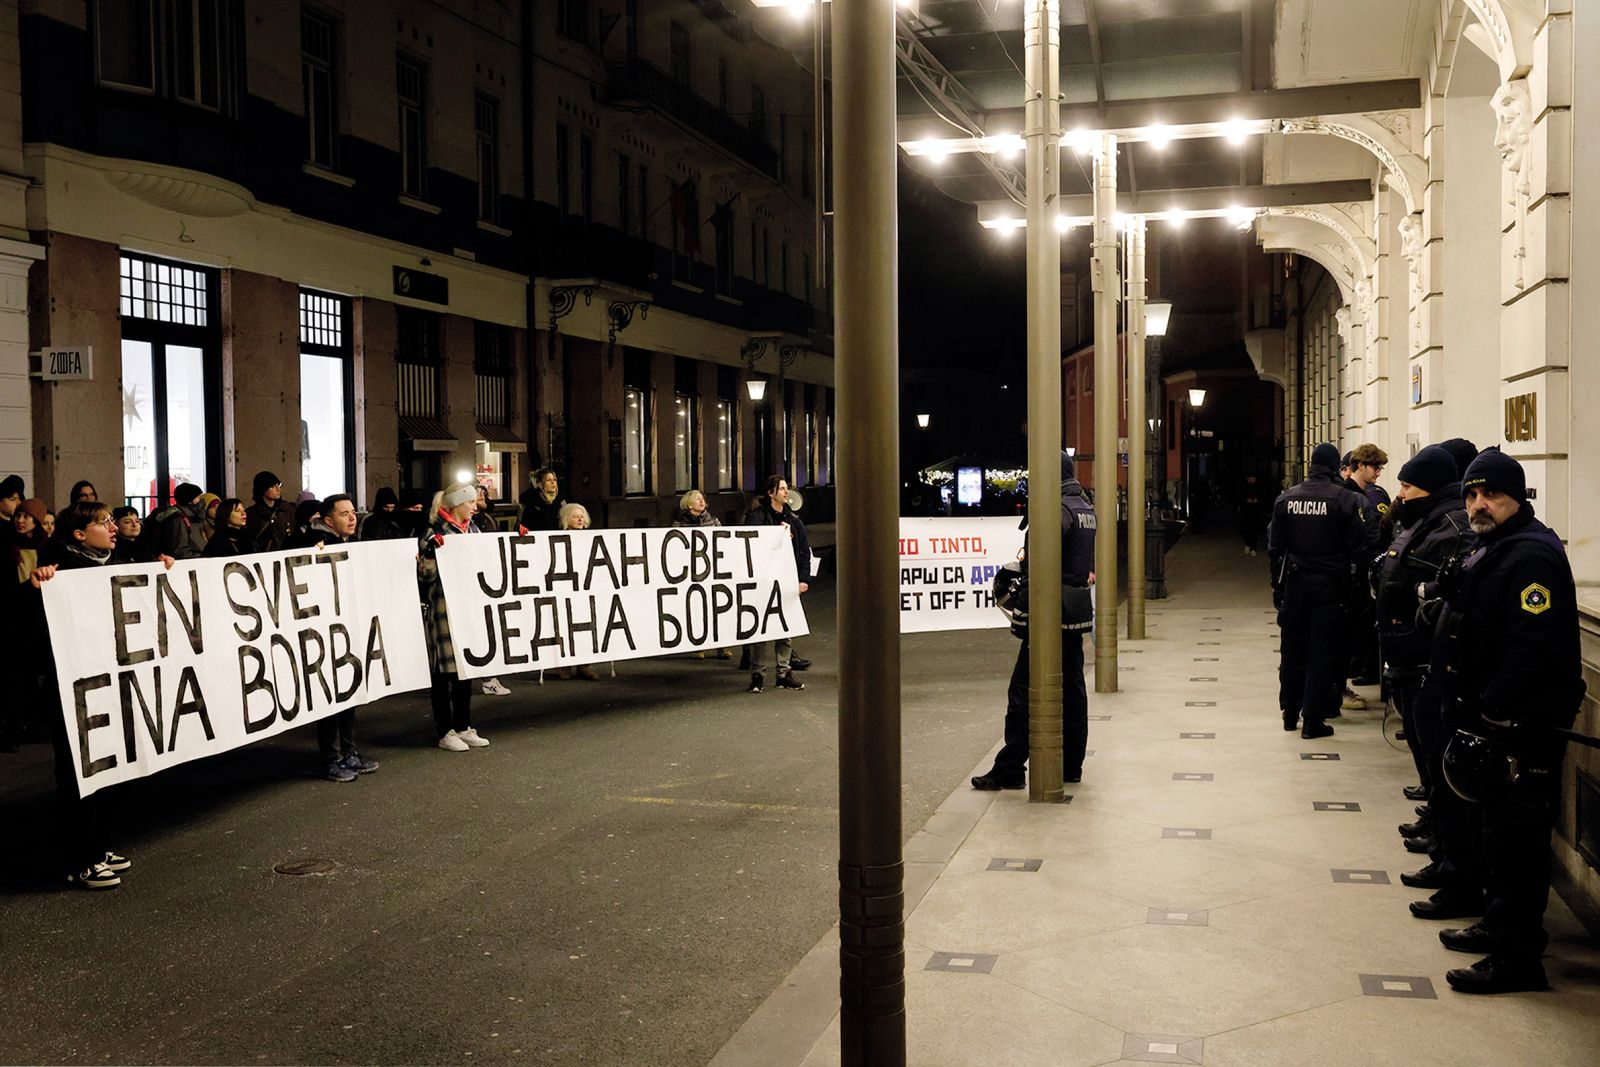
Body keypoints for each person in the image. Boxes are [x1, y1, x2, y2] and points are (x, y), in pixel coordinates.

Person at [1420, 448, 1584, 994]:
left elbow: (1534, 646)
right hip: (1489, 717)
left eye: (1491, 494)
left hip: (1519, 723)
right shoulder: (1493, 546)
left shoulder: (1532, 556)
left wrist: (1493, 706)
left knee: (1517, 843)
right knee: (1494, 835)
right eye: (1471, 494)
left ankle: (1517, 960)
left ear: (1516, 496)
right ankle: (1497, 927)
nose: (1478, 504)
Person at [27, 501, 149, 889]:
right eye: (104, 522)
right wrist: (34, 588)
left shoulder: (117, 560)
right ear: (80, 535)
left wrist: (165, 569)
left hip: (112, 682)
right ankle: (79, 860)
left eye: (112, 520)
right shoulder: (58, 570)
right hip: (76, 689)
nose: (113, 527)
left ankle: (101, 846)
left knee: (116, 768)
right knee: (80, 775)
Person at [972, 450, 1096, 789]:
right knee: (1072, 690)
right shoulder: (1083, 507)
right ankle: (1071, 765)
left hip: (1049, 613)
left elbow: (1040, 565)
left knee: (1023, 691)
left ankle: (1010, 768)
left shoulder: (1055, 510)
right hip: (1074, 612)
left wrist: (1023, 604)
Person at [1372, 447, 1471, 839]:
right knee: (1425, 754)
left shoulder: (1451, 527)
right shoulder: (1425, 521)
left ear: (1429, 487)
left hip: (1426, 659)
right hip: (1408, 656)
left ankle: (1446, 848)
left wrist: (1417, 593)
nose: (1399, 493)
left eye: (1407, 486)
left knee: (1436, 757)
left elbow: (1447, 590)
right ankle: (1438, 832)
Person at [1268, 443, 1368, 738]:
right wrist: (1355, 590)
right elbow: (1359, 548)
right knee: (1322, 652)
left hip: (1295, 583)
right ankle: (1313, 720)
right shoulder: (1345, 499)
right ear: (1336, 466)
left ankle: (1289, 712)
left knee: (1293, 649)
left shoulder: (1287, 498)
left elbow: (1275, 549)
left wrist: (1278, 587)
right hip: (1330, 586)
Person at [285, 494, 379, 781]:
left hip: (344, 629)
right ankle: (331, 758)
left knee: (348, 691)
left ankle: (349, 753)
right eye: (344, 514)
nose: (352, 518)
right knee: (330, 695)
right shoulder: (312, 543)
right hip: (322, 632)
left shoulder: (345, 542)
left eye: (353, 512)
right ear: (328, 520)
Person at [418, 482, 491, 752]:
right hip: (443, 610)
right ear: (457, 504)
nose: (474, 507)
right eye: (470, 502)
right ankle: (445, 731)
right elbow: (424, 575)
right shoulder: (434, 533)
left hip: (467, 608)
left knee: (464, 671)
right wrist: (430, 555)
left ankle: (463, 726)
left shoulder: (473, 531)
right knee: (442, 673)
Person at [743, 476, 809, 693]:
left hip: (787, 580)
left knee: (785, 629)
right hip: (763, 580)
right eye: (781, 489)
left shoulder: (794, 520)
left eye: (786, 488)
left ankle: (783, 673)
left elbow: (804, 551)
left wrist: (803, 579)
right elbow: (751, 544)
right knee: (761, 630)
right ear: (770, 493)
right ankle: (757, 675)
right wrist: (777, 538)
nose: (786, 492)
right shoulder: (757, 517)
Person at [674, 490, 735, 661]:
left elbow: (723, 542)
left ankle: (722, 645)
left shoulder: (713, 522)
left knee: (718, 607)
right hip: (693, 573)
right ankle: (699, 645)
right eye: (697, 499)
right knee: (697, 608)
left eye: (702, 499)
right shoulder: (679, 525)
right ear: (688, 504)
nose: (702, 502)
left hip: (713, 571)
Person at [134, 483, 205, 562]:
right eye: (199, 497)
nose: (202, 501)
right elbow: (180, 551)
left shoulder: (191, 518)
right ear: (189, 500)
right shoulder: (177, 520)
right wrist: (203, 558)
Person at [243, 471, 295, 553]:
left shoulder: (288, 509)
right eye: (272, 486)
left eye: (279, 485)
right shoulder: (251, 514)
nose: (278, 489)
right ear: (262, 489)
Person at [519, 467, 566, 532]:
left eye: (554, 480)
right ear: (540, 485)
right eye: (548, 480)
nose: (553, 482)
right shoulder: (532, 502)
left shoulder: (560, 499)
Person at [1238, 473, 1269, 557]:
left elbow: (1263, 496)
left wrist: (1257, 500)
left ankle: (1253, 548)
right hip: (1246, 512)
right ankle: (1247, 545)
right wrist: (1245, 500)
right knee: (1246, 530)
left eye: (1253, 478)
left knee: (1254, 530)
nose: (1251, 480)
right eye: (1250, 479)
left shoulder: (1259, 487)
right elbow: (1239, 497)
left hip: (1255, 512)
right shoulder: (1243, 487)